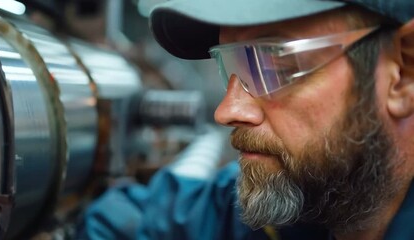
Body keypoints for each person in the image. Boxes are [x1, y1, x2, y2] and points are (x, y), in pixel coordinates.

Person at [80, 0, 414, 239]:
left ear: (403, 73)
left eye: (276, 67)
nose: (227, 111)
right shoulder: (295, 203)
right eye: (231, 65)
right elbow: (127, 220)